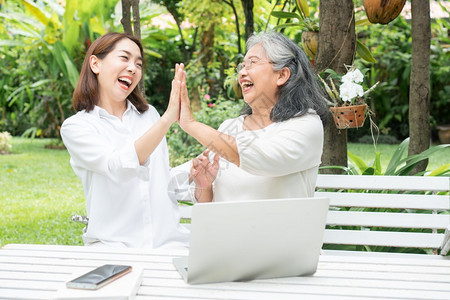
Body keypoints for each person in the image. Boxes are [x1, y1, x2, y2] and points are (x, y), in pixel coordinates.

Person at [60, 32, 189, 248]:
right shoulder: (77, 127)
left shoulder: (150, 116)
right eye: (124, 58)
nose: (133, 68)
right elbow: (118, 166)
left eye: (138, 64)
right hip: (114, 248)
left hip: (168, 245)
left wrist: (194, 171)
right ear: (95, 64)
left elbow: (158, 176)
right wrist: (168, 119)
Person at [178, 31, 329, 203]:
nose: (242, 73)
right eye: (242, 66)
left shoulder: (306, 124)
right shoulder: (229, 127)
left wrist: (190, 124)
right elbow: (209, 205)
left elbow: (260, 157)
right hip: (226, 229)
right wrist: (203, 185)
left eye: (252, 64)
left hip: (279, 230)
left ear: (282, 75)